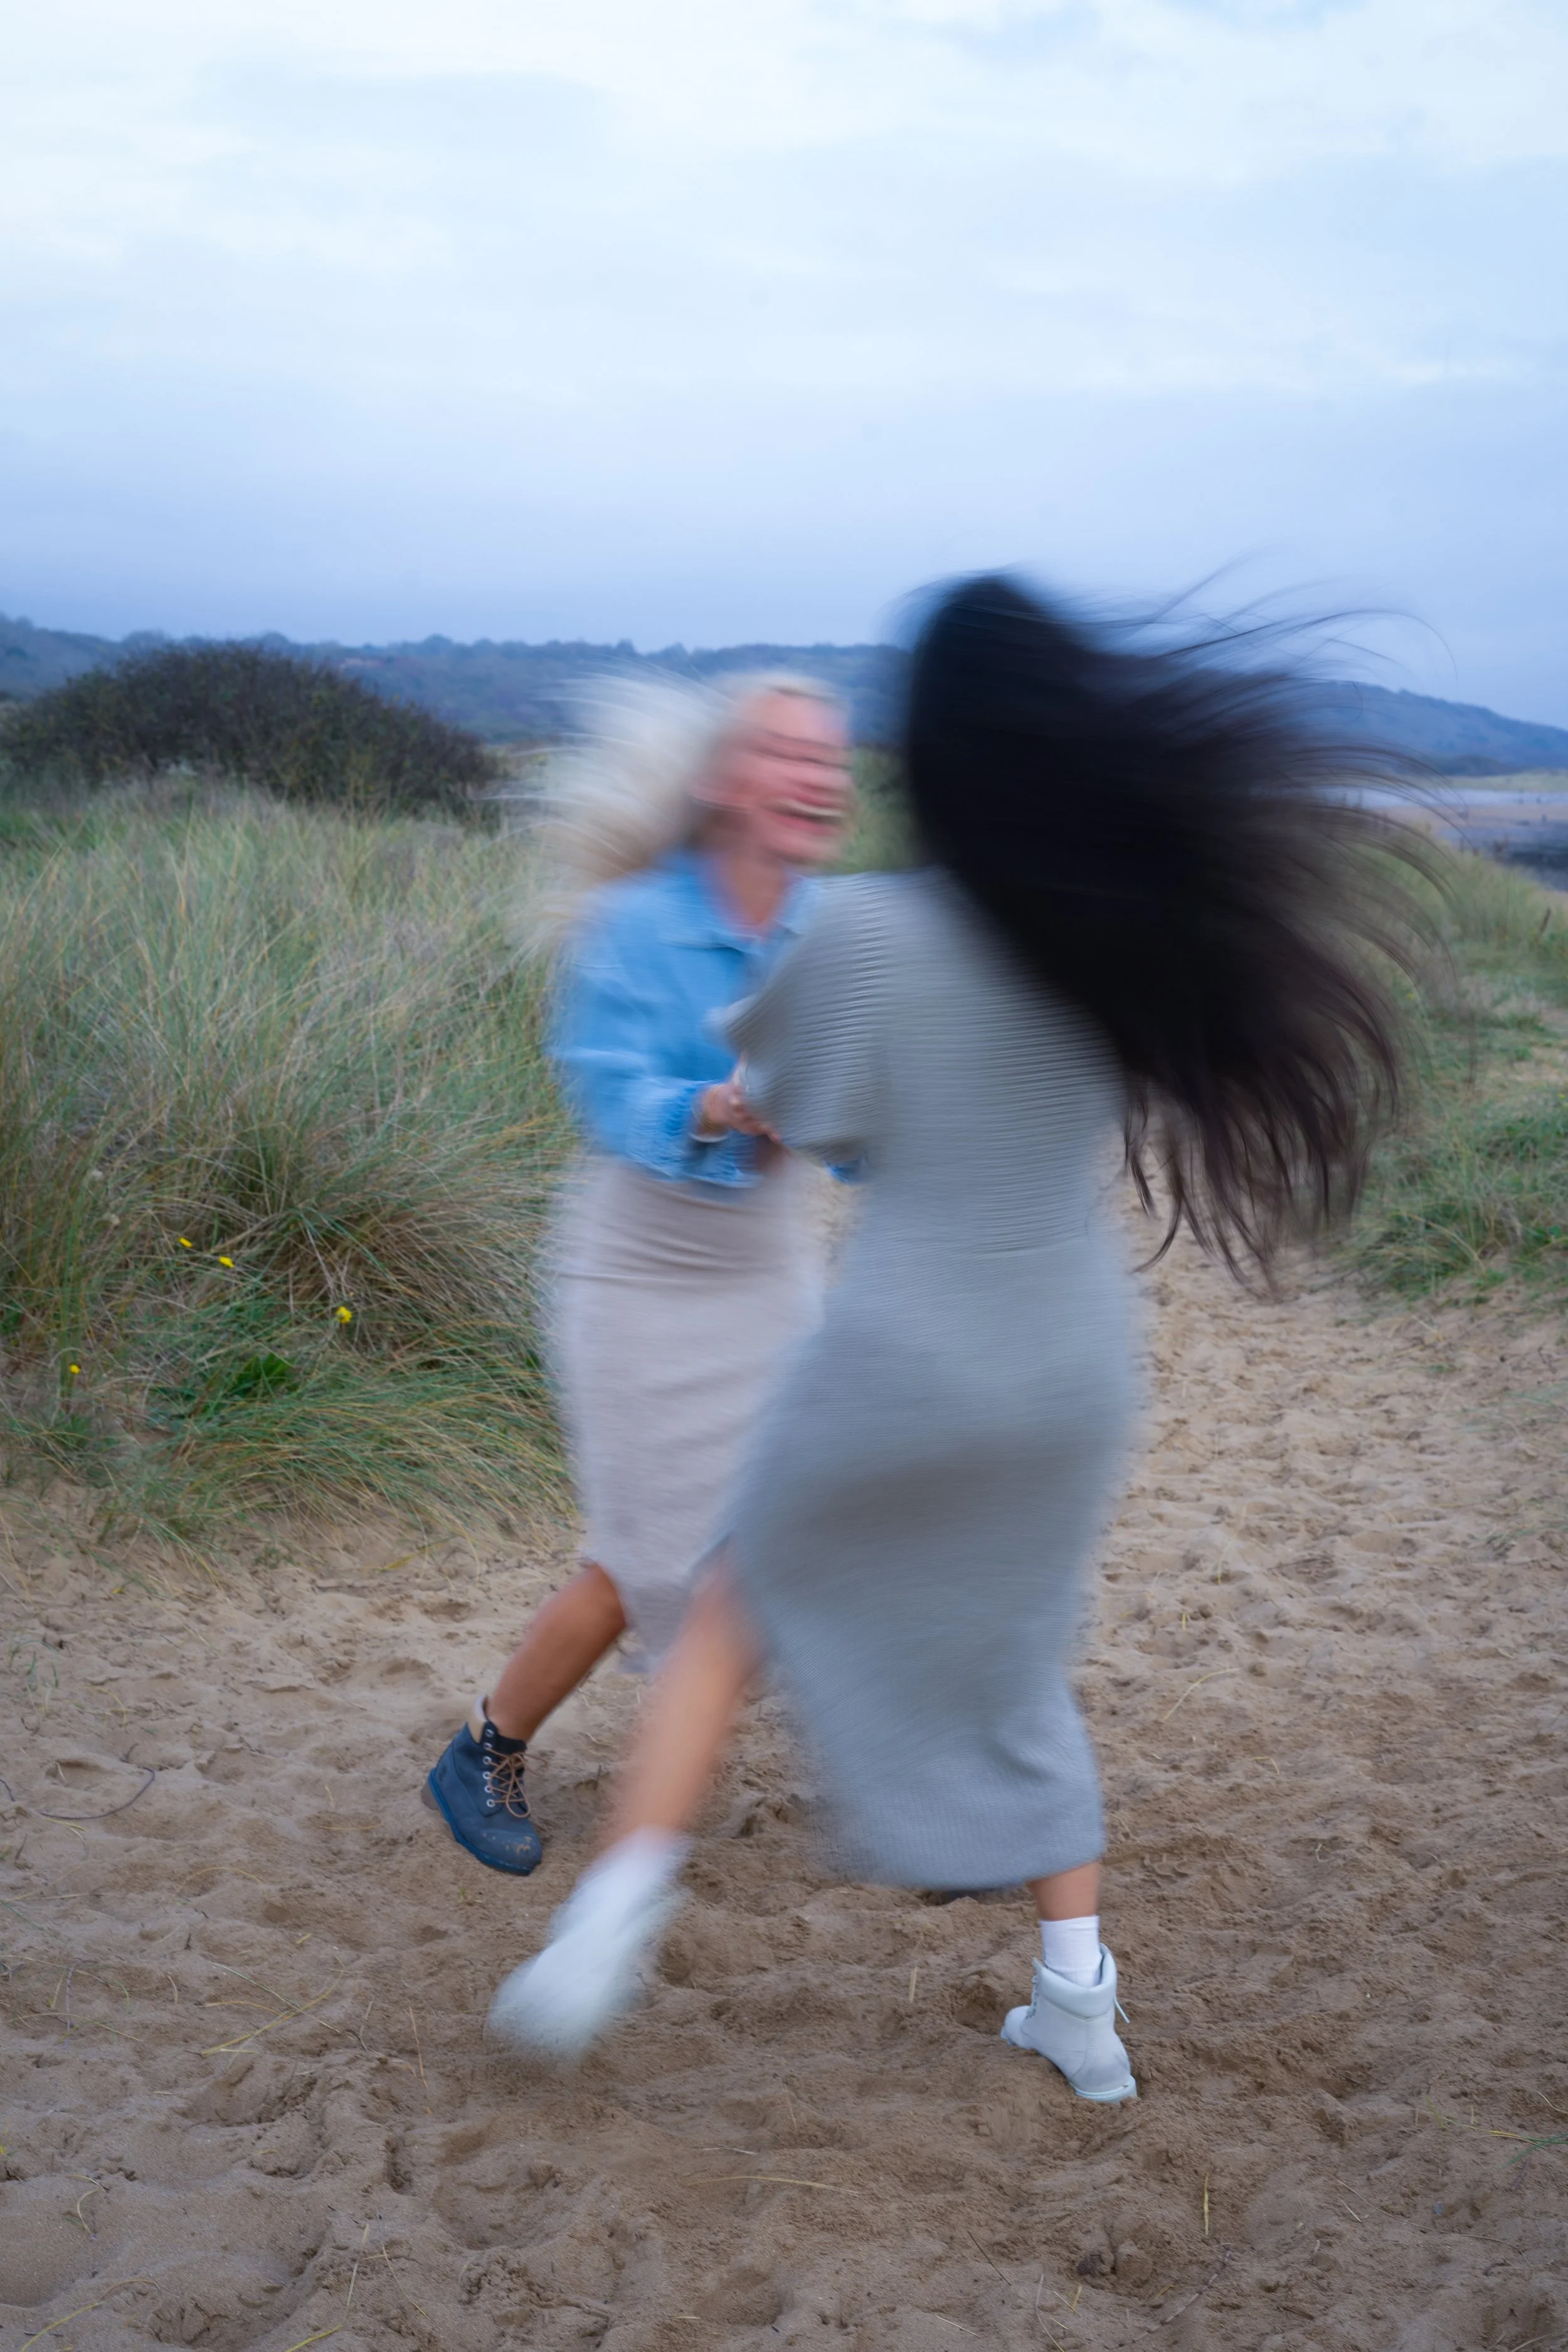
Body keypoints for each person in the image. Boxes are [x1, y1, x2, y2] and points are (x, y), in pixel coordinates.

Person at [485, 575, 1414, 2103]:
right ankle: (1079, 2004)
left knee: (724, 1611)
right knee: (1019, 1658)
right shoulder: (1114, 942)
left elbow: (795, 1107)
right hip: (1073, 1366)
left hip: (908, 1348)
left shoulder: (868, 930)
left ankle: (604, 1927)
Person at [423, 672, 854, 1874]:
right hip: (639, 1266)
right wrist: (712, 1104)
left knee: (789, 1520)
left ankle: (894, 1772)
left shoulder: (837, 932)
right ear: (722, 780)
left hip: (770, 1263)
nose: (821, 776)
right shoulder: (634, 923)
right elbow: (608, 1088)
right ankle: (483, 1747)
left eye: (834, 758)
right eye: (787, 754)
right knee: (650, 1550)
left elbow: (865, 1117)